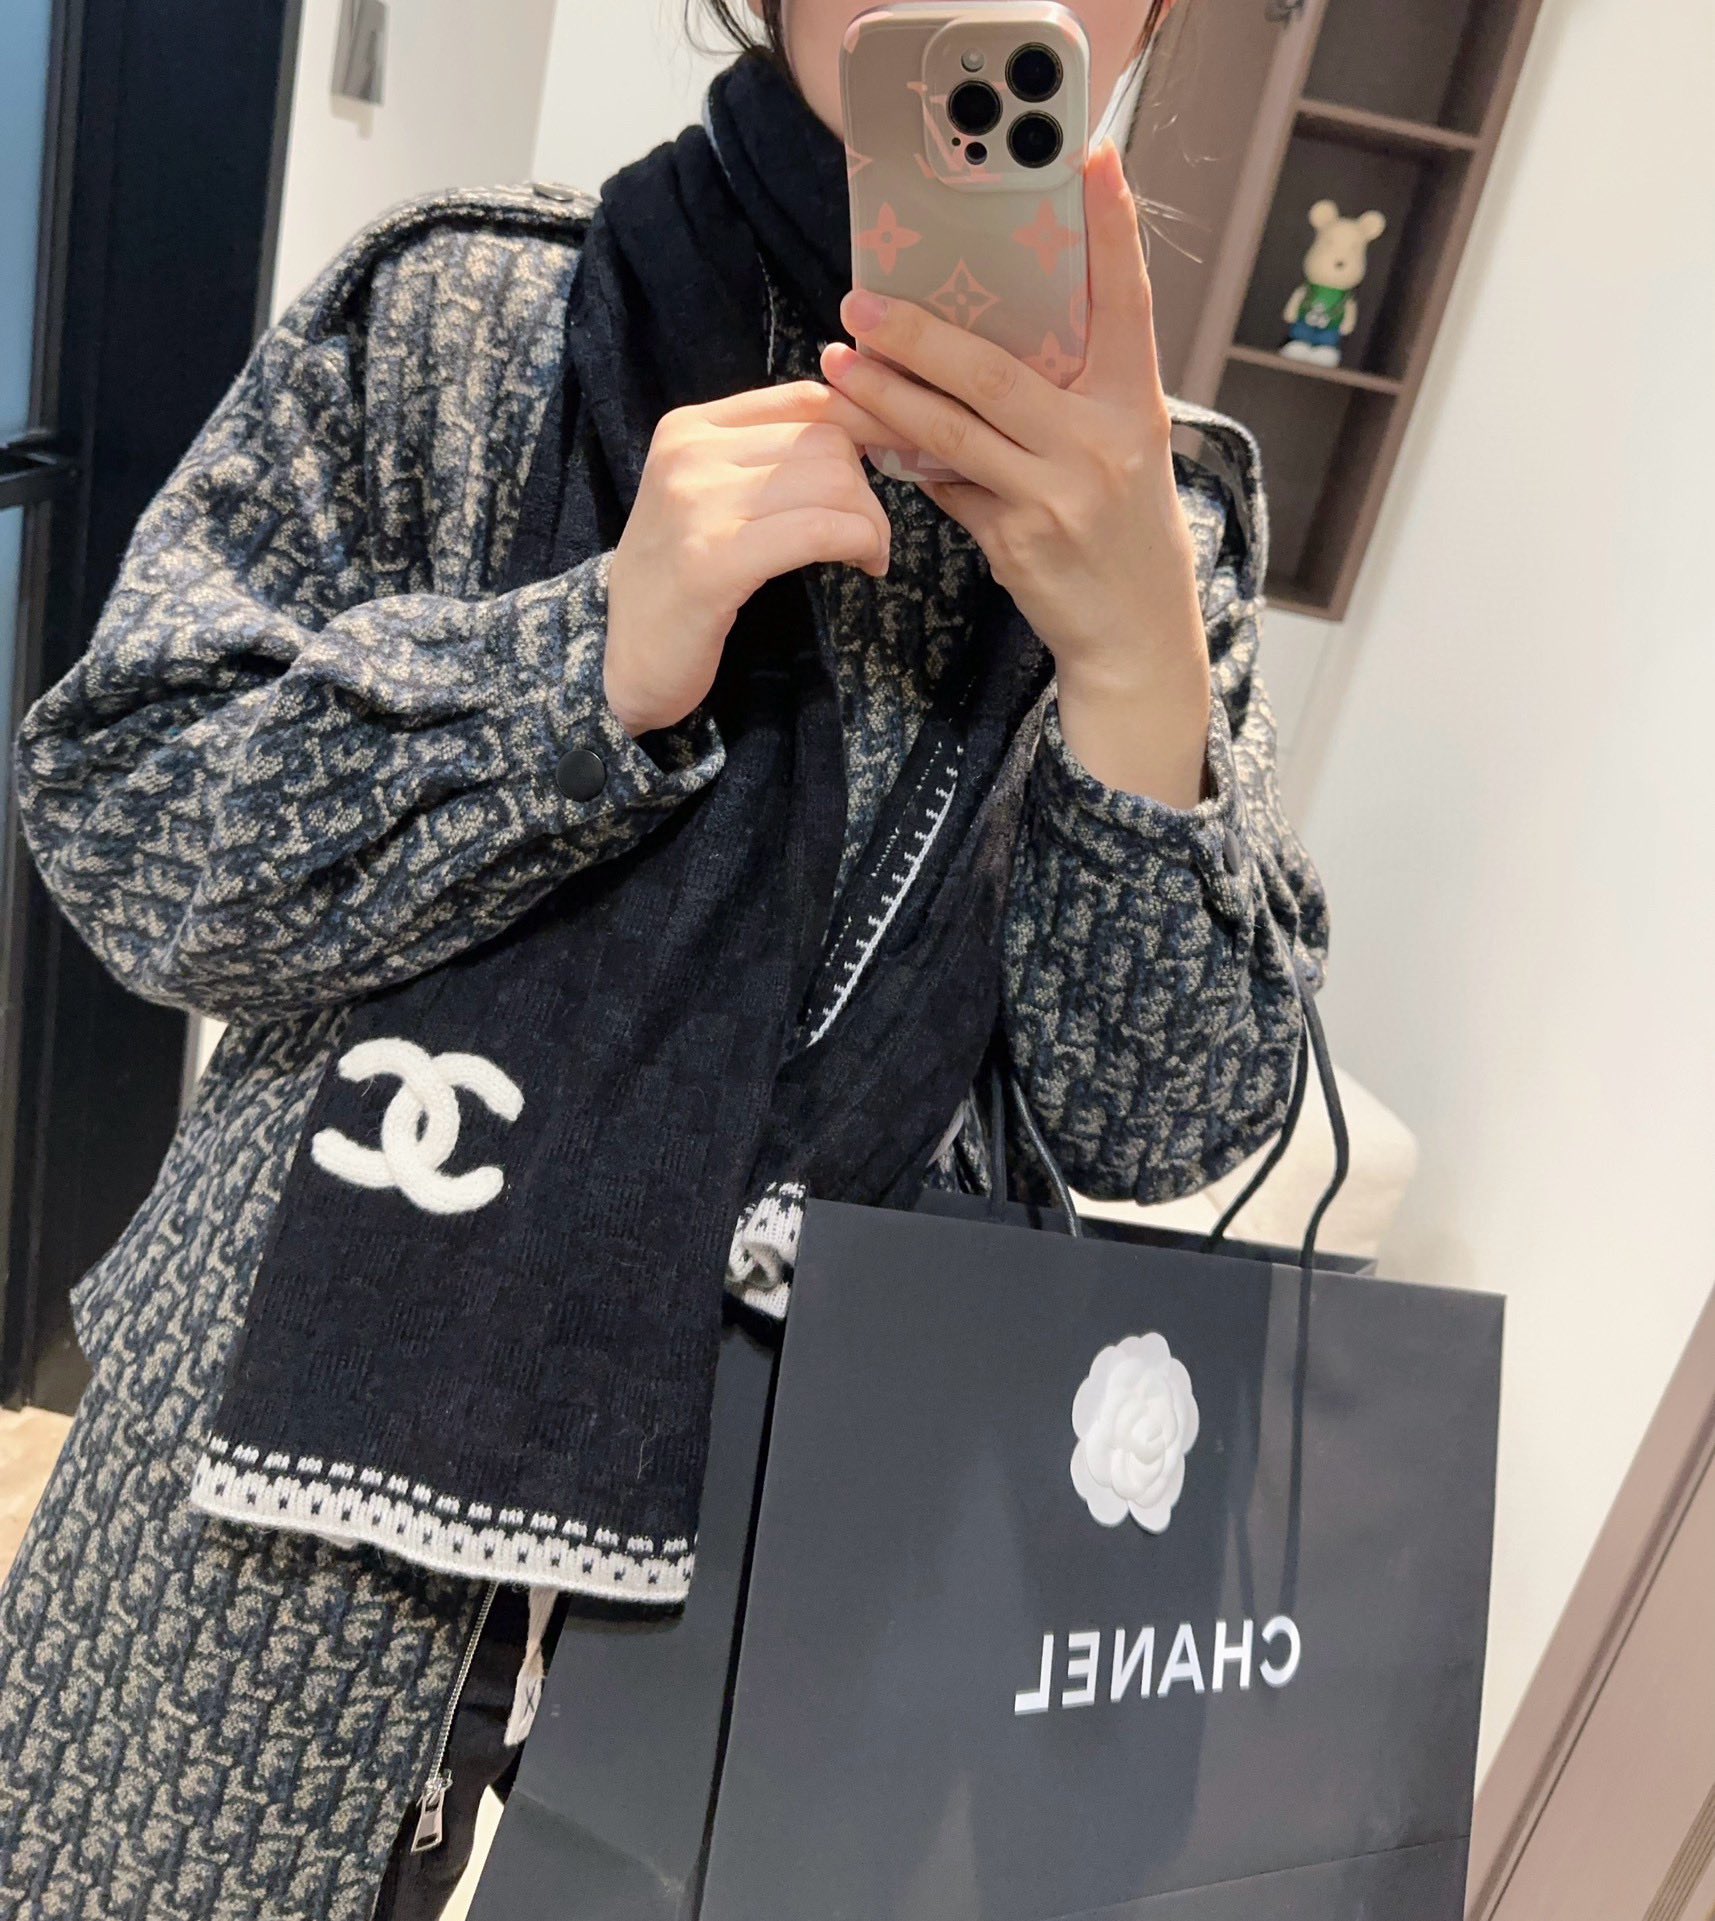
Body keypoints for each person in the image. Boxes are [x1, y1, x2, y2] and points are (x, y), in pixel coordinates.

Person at [0, 1, 1327, 1915]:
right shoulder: (469, 320)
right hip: (269, 1578)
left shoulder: (1162, 525)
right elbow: (126, 826)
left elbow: (1167, 1117)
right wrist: (582, 664)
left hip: (803, 1618)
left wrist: (1131, 666)